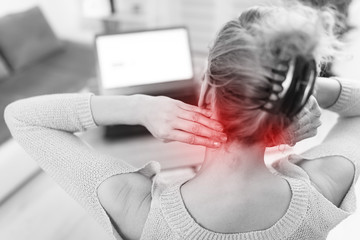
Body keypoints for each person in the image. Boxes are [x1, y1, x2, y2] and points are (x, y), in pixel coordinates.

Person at [4, 3, 360, 240]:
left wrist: (138, 108)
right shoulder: (322, 188)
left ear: (206, 90)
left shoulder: (140, 211)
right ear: (292, 102)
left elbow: (22, 118)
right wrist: (303, 89)